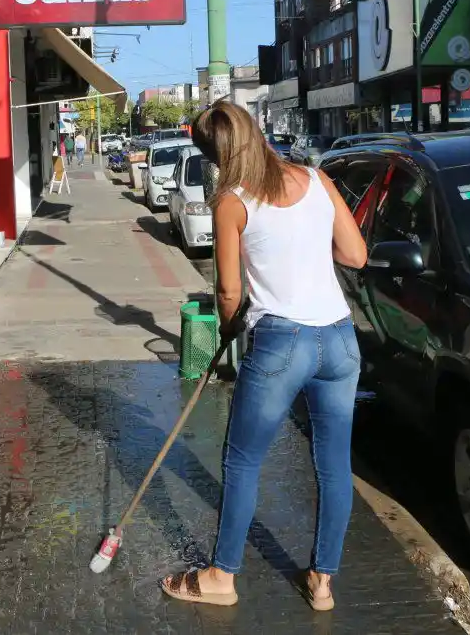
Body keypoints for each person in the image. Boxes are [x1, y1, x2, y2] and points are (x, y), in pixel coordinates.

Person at [159, 101, 368, 611]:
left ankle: (219, 577)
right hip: (340, 339)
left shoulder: (232, 200)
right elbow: (356, 255)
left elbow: (229, 291)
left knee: (244, 459)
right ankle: (322, 582)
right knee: (334, 466)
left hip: (282, 342)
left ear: (214, 154)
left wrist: (229, 330)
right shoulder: (318, 180)